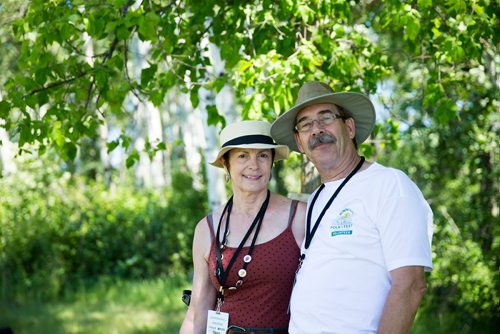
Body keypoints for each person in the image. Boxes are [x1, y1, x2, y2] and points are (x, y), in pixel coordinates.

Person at [270, 81, 434, 333]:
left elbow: (411, 285)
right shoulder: (314, 200)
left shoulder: (390, 185)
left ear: (349, 127)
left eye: (326, 118)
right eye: (305, 125)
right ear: (299, 143)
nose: (316, 130)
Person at [180, 120, 306, 334]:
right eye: (242, 156)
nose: (254, 165)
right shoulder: (207, 228)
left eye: (263, 156)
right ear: (225, 163)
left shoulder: (298, 217)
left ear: (272, 162)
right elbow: (198, 309)